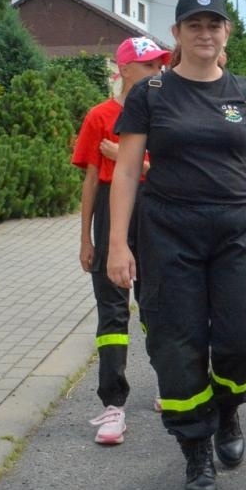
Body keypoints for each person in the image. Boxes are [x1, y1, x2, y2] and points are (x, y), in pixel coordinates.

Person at [107, 0, 246, 490]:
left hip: (237, 229)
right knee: (176, 342)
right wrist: (118, 244)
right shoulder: (151, 95)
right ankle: (195, 451)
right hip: (169, 231)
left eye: (214, 25)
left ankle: (229, 409)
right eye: (195, 25)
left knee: (243, 335)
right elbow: (125, 174)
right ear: (177, 34)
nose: (205, 33)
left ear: (226, 33)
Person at [71, 36, 167, 445]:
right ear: (124, 69)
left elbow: (171, 170)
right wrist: (85, 238)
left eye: (160, 66)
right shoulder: (99, 116)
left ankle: (170, 383)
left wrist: (127, 158)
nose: (157, 73)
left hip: (154, 211)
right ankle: (113, 405)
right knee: (112, 312)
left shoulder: (166, 113)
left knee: (157, 304)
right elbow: (91, 179)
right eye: (148, 66)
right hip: (112, 213)